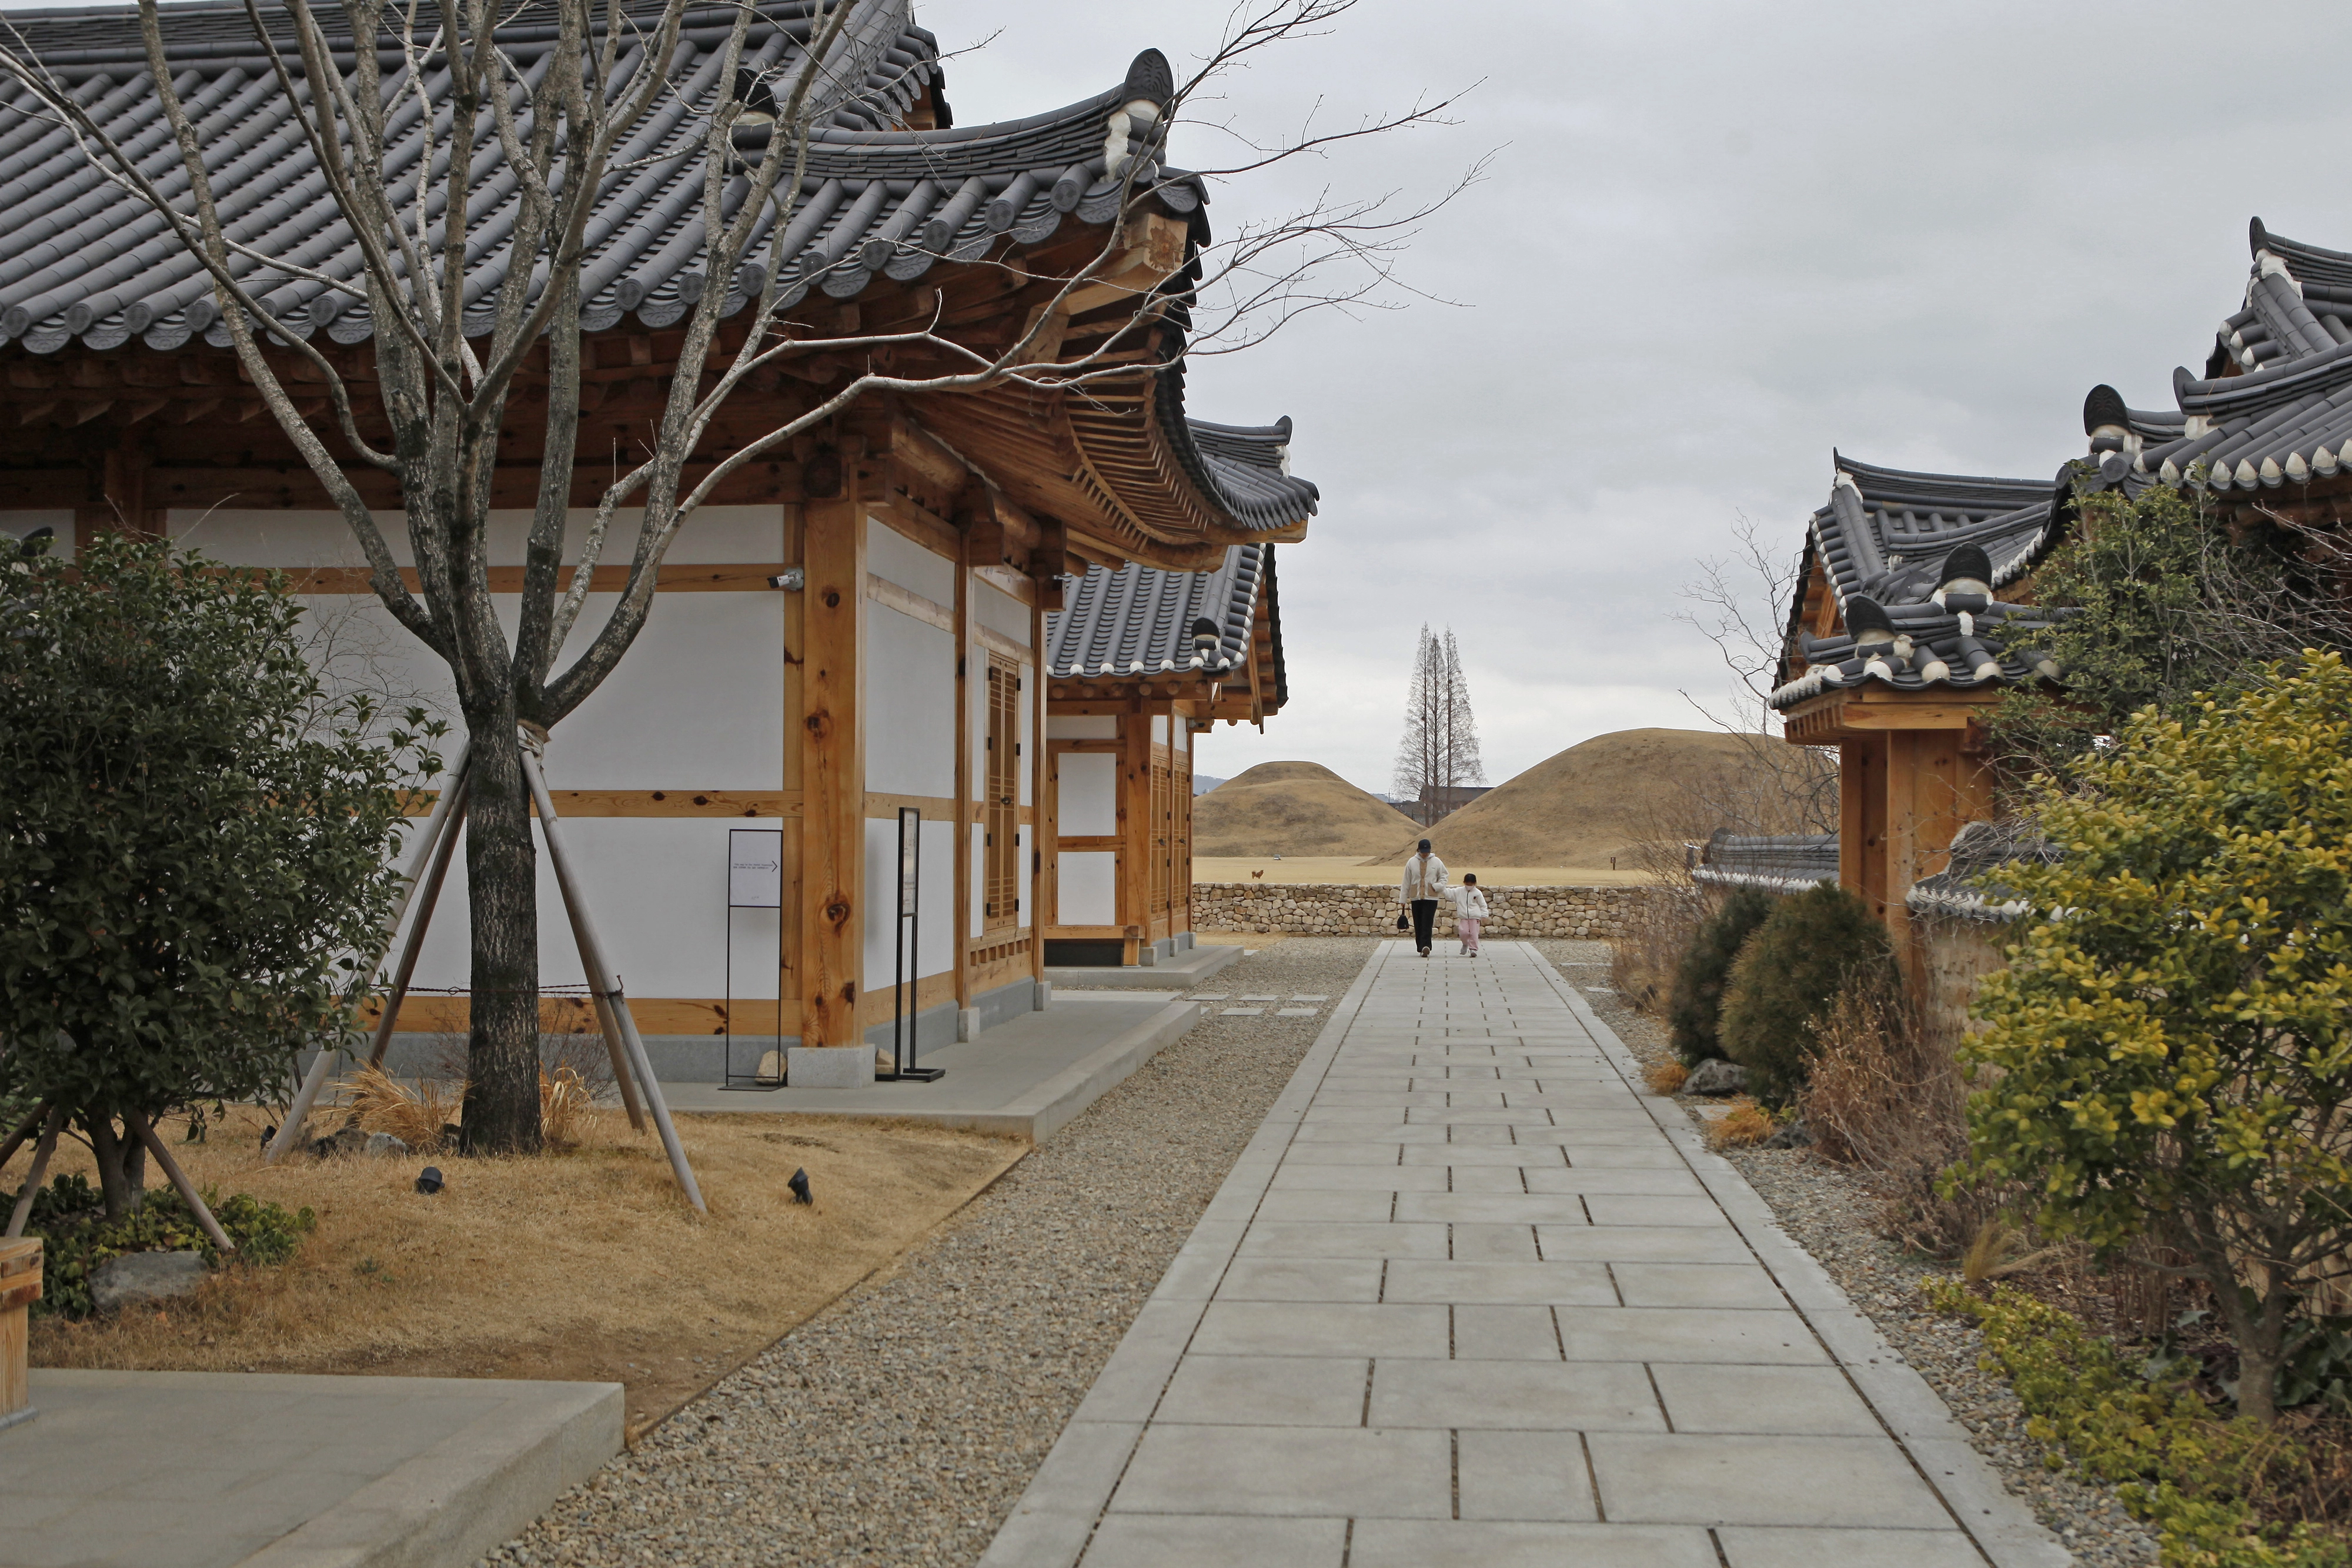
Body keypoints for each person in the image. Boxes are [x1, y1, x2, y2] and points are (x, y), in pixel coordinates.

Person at [1400, 839, 1446, 957]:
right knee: (1418, 922)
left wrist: (1438, 886)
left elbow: (1444, 876)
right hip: (1416, 897)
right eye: (1423, 851)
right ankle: (1420, 946)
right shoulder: (1411, 862)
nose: (1425, 854)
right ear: (1418, 850)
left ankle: (1426, 946)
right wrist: (1403, 899)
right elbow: (1406, 881)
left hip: (1431, 897)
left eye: (1427, 851)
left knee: (1427, 921)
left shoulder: (1437, 862)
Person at [1449, 873, 1489, 957]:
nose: (1469, 886)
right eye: (1467, 884)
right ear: (1464, 883)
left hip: (1475, 917)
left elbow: (1483, 905)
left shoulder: (1478, 893)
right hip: (1464, 917)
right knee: (1463, 932)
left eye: (1471, 884)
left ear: (1475, 883)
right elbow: (1449, 893)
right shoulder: (1459, 891)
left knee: (1474, 933)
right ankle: (1465, 944)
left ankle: (1473, 949)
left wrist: (1484, 915)